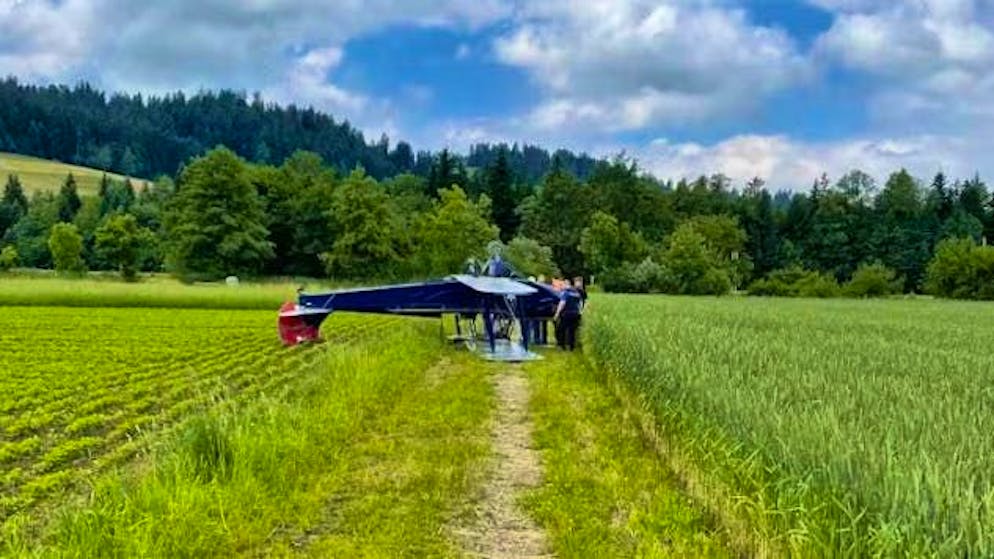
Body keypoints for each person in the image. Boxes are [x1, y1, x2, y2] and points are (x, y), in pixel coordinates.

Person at [554, 279, 582, 351]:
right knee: (572, 331)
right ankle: (571, 347)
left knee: (561, 329)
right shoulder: (576, 293)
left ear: (566, 285)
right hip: (575, 314)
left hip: (566, 314)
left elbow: (562, 303)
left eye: (562, 285)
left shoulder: (565, 293)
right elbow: (580, 304)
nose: (561, 286)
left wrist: (557, 313)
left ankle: (562, 346)